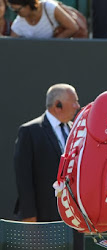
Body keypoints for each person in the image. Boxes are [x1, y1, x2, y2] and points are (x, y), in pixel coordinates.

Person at [13, 83, 84, 250]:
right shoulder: (30, 131)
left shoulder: (76, 131)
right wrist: (30, 216)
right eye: (73, 102)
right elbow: (24, 176)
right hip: (44, 216)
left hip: (73, 216)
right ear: (57, 105)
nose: (77, 106)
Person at [7, 0, 79, 38]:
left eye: (18, 10)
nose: (16, 13)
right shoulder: (19, 22)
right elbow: (12, 44)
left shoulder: (49, 7)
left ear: (27, 4)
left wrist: (53, 43)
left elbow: (73, 27)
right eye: (14, 10)